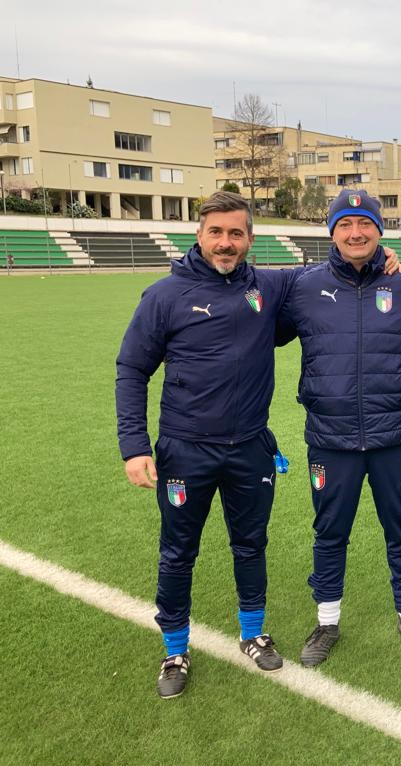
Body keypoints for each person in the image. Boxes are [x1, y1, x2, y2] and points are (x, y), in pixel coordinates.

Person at [116, 191, 291, 699]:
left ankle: (253, 633)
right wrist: (134, 446)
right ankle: (175, 649)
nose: (225, 243)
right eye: (216, 232)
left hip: (250, 448)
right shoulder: (164, 296)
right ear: (199, 235)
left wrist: (386, 258)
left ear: (250, 239)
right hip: (185, 451)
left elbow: (331, 274)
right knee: (178, 552)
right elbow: (132, 369)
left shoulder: (269, 286)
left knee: (250, 544)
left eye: (236, 233)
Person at [278, 190, 401, 664]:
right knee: (330, 532)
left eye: (365, 223)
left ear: (379, 231)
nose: (356, 233)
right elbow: (251, 309)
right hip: (330, 439)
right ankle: (327, 622)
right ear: (332, 232)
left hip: (395, 436)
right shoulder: (303, 287)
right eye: (346, 224)